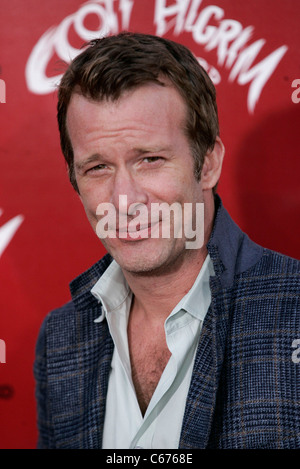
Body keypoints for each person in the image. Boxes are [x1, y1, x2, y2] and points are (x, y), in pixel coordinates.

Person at [34, 32, 300, 449]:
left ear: (207, 164)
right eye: (98, 167)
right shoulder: (61, 339)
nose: (124, 201)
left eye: (150, 159)